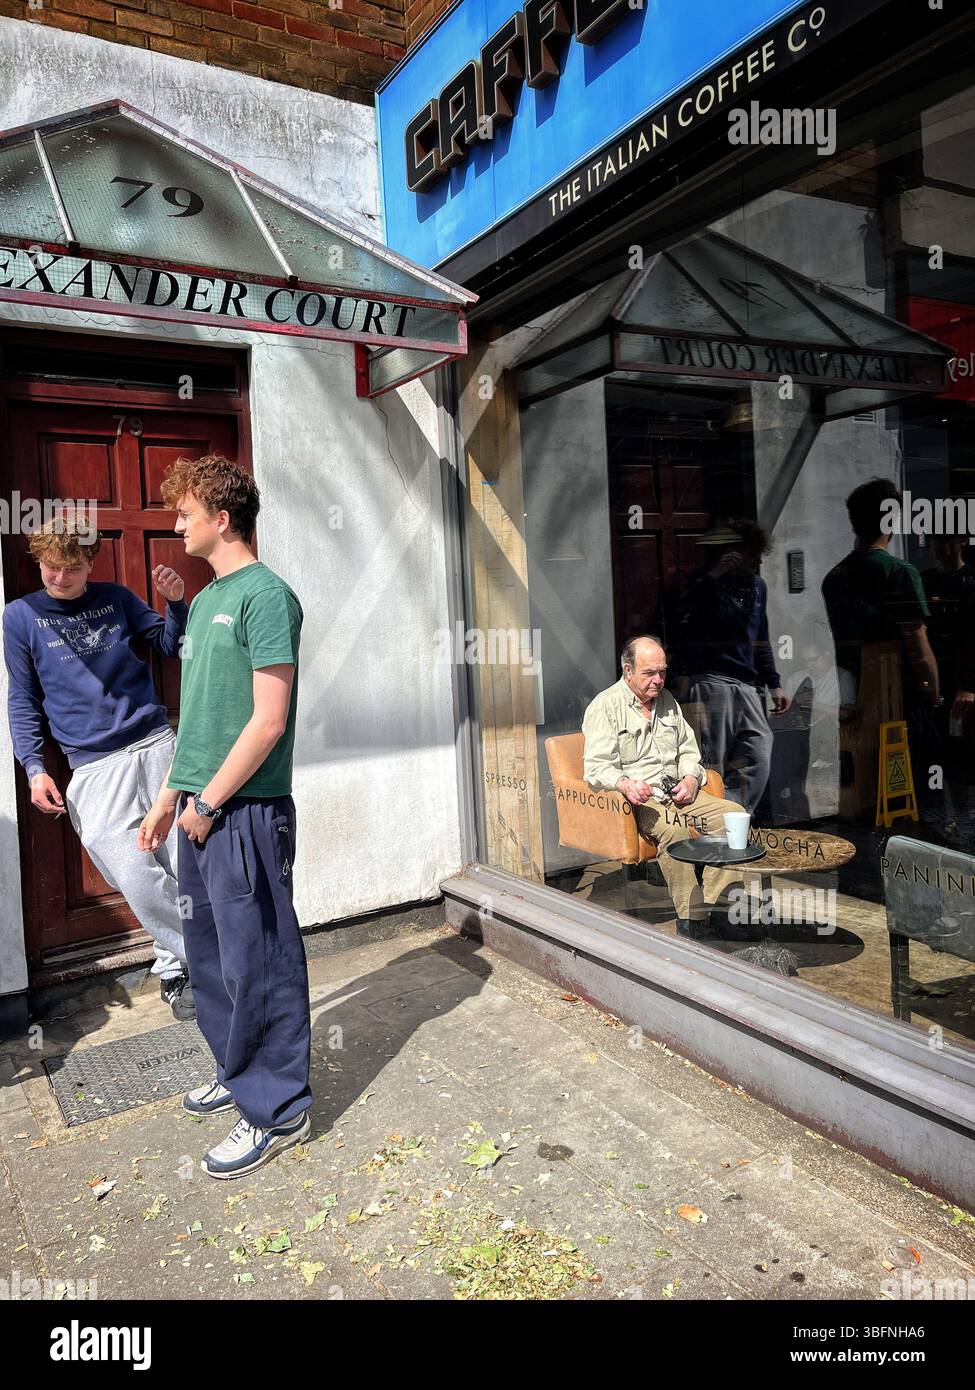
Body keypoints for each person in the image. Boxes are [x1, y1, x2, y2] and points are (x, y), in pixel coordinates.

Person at [138, 454, 309, 1180]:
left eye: (185, 513)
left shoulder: (266, 597)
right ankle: (236, 1071)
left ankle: (278, 1110)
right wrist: (169, 796)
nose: (177, 525)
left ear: (222, 517)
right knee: (209, 957)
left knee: (258, 961)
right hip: (200, 811)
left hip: (244, 812)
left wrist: (209, 802)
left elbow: (268, 720)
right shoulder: (209, 597)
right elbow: (202, 718)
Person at [2, 512, 193, 1018]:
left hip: (156, 746)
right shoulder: (20, 617)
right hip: (93, 767)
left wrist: (176, 604)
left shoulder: (116, 598)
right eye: (50, 566)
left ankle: (178, 971)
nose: (60, 577)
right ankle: (206, 958)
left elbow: (171, 645)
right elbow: (22, 698)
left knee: (188, 867)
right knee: (137, 875)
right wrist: (33, 767)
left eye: (72, 568)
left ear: (90, 563)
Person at [582, 635, 746, 939]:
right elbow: (596, 768)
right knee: (675, 830)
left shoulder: (668, 701)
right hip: (640, 801)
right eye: (649, 673)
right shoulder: (605, 706)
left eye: (662, 672)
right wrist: (625, 783)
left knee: (733, 816)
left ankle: (718, 906)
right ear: (628, 671)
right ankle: (692, 919)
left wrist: (691, 778)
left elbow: (688, 751)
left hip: (679, 793)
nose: (658, 680)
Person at [822, 478, 941, 791]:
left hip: (854, 697)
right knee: (909, 790)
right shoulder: (900, 572)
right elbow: (918, 648)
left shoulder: (834, 577)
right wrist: (934, 693)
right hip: (898, 699)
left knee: (866, 787)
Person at [672, 520, 790, 815]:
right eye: (749, 554)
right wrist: (717, 573)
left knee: (759, 749)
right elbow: (681, 614)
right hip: (712, 680)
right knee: (714, 760)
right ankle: (715, 825)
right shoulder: (705, 581)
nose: (753, 562)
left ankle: (734, 815)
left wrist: (774, 682)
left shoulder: (757, 586)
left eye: (755, 556)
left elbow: (760, 637)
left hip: (747, 684)